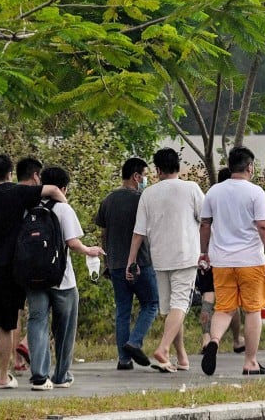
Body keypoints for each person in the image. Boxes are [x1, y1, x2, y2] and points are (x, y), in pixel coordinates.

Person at [0, 154, 66, 392]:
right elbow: (50, 189)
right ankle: (2, 375)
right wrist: (64, 208)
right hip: (5, 270)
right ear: (9, 174)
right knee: (5, 325)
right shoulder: (15, 192)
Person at [199, 147, 265, 376]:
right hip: (250, 260)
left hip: (221, 261)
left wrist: (204, 252)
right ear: (250, 167)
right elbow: (264, 227)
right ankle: (250, 362)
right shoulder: (255, 192)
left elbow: (205, 224)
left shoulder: (214, 192)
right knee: (252, 311)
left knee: (224, 308)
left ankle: (213, 340)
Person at [125, 147, 204, 373]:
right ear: (178, 166)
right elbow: (206, 218)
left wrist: (132, 260)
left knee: (170, 309)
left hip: (159, 257)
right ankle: (164, 348)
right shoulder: (191, 189)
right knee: (180, 304)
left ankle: (181, 357)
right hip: (186, 255)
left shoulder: (148, 194)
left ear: (157, 170)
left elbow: (138, 232)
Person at [26, 167, 104, 390]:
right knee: (65, 328)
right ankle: (61, 376)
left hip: (33, 277)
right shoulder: (63, 209)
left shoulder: (29, 207)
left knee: (37, 321)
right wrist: (89, 250)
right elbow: (72, 243)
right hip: (62, 279)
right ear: (63, 188)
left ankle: (40, 376)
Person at [95, 157, 159, 371]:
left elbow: (103, 234)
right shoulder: (142, 199)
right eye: (145, 174)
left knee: (123, 311)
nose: (146, 179)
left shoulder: (108, 200)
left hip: (115, 264)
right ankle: (135, 341)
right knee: (151, 304)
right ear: (136, 176)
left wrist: (107, 261)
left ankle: (123, 359)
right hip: (140, 261)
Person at [196, 167, 245, 357]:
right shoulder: (239, 198)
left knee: (208, 297)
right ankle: (237, 339)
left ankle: (207, 337)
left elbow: (203, 224)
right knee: (232, 300)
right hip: (231, 257)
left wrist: (202, 252)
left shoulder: (211, 196)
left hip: (209, 254)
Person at [12, 157, 44, 374]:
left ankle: (16, 358)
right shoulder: (34, 197)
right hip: (32, 260)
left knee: (15, 312)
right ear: (35, 175)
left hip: (10, 259)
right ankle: (26, 343)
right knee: (41, 308)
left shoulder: (8, 195)